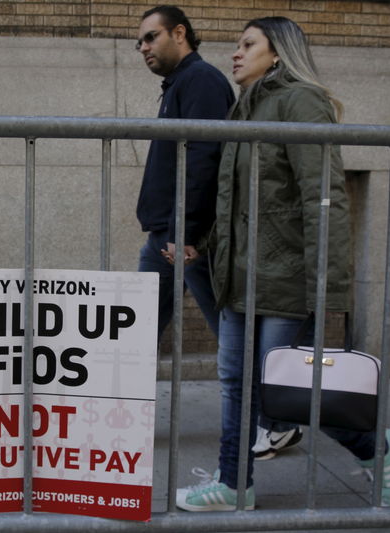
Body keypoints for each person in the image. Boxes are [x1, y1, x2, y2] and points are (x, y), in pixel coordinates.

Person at [175, 16, 390, 511]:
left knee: (284, 388)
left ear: (277, 52)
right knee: (239, 381)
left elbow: (324, 198)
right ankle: (234, 484)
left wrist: (329, 286)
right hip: (241, 273)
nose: (235, 53)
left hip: (284, 275)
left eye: (247, 44)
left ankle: (380, 449)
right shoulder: (245, 109)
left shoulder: (301, 101)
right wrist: (205, 242)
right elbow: (237, 200)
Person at [135, 5, 234, 341]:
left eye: (151, 37)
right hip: (169, 233)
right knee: (136, 336)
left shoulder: (200, 79)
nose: (144, 48)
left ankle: (255, 390)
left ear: (179, 33)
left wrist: (186, 231)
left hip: (186, 236)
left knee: (230, 332)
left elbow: (203, 156)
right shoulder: (180, 82)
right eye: (140, 43)